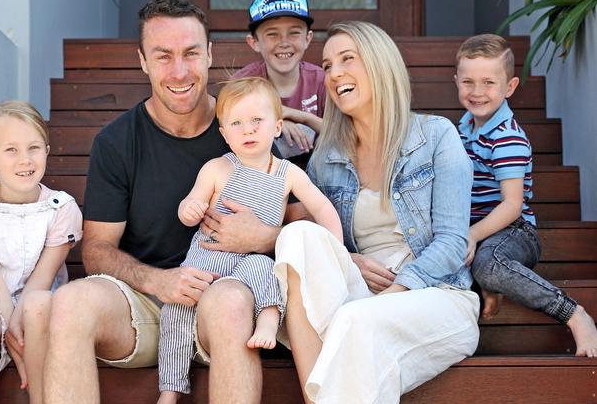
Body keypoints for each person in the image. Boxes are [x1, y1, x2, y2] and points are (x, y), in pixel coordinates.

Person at [43, 0, 289, 404]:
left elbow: (299, 227)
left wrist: (262, 237)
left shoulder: (244, 129)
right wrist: (157, 280)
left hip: (219, 297)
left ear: (209, 54)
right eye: (163, 56)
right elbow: (98, 249)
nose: (179, 71)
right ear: (142, 60)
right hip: (141, 306)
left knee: (229, 304)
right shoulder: (118, 141)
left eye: (191, 53)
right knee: (70, 303)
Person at [273, 21, 480, 403]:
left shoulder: (436, 136)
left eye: (347, 59)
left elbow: (453, 242)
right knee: (296, 235)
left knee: (356, 322)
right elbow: (324, 240)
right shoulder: (327, 155)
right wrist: (350, 261)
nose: (334, 74)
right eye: (329, 65)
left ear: (380, 63)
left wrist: (397, 290)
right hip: (360, 295)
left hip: (435, 294)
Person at [158, 77, 342, 402]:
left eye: (257, 120)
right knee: (174, 312)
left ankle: (268, 323)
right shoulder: (217, 168)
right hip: (203, 264)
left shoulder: (288, 173)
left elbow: (321, 207)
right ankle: (170, 389)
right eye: (237, 123)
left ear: (277, 126)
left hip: (245, 268)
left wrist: (336, 249)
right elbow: (189, 203)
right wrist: (191, 209)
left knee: (264, 268)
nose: (248, 130)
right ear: (224, 134)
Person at [455, 34, 597, 357]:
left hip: (515, 231)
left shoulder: (507, 139)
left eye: (489, 82)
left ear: (510, 87)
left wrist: (473, 235)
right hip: (477, 232)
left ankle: (574, 314)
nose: (477, 92)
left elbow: (512, 205)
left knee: (487, 261)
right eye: (468, 82)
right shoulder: (461, 129)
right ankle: (488, 285)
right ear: (456, 82)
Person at [0, 100, 82, 403]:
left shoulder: (63, 209)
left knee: (37, 301)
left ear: (47, 151)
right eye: (11, 150)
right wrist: (12, 339)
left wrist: (18, 339)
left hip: (38, 311)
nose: (25, 160)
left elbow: (42, 279)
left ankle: (40, 397)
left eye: (34, 148)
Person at [232, 0, 326, 160]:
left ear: (308, 39)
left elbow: (342, 134)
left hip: (316, 175)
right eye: (272, 34)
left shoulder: (321, 80)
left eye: (294, 33)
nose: (284, 43)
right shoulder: (242, 83)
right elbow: (233, 129)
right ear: (254, 42)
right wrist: (275, 124)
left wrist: (297, 115)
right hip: (262, 174)